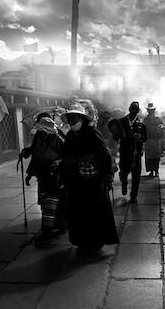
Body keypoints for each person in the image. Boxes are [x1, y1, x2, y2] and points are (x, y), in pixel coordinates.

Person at [58, 103, 119, 254]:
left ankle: (95, 241)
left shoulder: (92, 133)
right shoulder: (71, 135)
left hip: (94, 181)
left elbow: (103, 154)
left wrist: (108, 176)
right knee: (78, 212)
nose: (72, 122)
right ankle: (81, 240)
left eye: (75, 119)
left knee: (94, 211)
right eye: (70, 120)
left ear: (82, 119)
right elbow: (66, 153)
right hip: (76, 180)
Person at [19, 115, 67, 244]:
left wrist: (58, 161)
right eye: (40, 131)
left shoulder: (58, 139)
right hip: (42, 174)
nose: (42, 134)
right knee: (45, 200)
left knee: (53, 202)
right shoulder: (38, 138)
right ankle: (48, 226)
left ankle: (52, 227)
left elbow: (67, 155)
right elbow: (34, 154)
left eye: (44, 132)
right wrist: (25, 153)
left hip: (55, 175)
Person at [117, 101, 147, 203]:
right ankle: (124, 184)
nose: (134, 110)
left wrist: (140, 138)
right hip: (125, 152)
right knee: (123, 173)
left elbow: (145, 137)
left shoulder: (141, 124)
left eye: (136, 109)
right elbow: (115, 135)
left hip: (136, 153)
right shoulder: (121, 121)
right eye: (132, 108)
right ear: (129, 109)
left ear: (138, 111)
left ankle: (133, 196)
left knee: (136, 176)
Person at [143, 102, 165, 178]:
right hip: (148, 140)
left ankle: (156, 170)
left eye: (152, 110)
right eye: (149, 110)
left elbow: (162, 129)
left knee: (156, 156)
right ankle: (151, 171)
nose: (150, 111)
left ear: (154, 110)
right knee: (149, 157)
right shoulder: (145, 120)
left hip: (156, 140)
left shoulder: (158, 119)